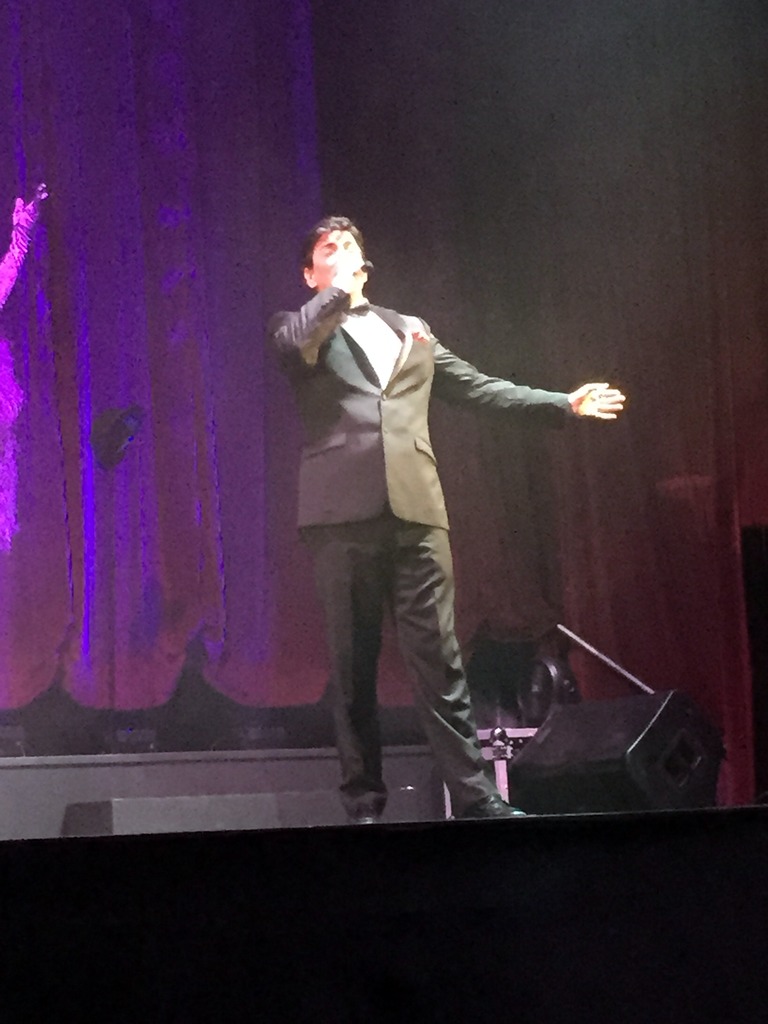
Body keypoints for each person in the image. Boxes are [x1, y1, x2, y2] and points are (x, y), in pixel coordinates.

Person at [267, 215, 625, 823]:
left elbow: (478, 388)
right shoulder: (297, 326)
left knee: (440, 661)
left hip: (417, 512)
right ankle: (364, 804)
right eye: (329, 248)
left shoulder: (411, 329)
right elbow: (293, 345)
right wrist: (336, 294)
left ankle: (476, 798)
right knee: (352, 666)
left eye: (351, 245)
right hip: (340, 516)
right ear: (310, 273)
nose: (343, 252)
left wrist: (563, 403)